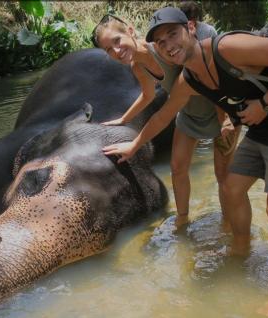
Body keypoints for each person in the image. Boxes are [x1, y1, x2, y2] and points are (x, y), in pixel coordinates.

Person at [102, 7, 268, 317]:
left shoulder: (226, 47)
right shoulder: (189, 78)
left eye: (173, 35)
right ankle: (241, 248)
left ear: (191, 28)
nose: (168, 45)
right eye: (161, 42)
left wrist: (265, 103)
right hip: (261, 125)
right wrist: (134, 144)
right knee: (232, 189)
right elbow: (164, 115)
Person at [91, 8, 238, 231]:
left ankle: (229, 224)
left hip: (219, 108)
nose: (117, 51)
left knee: (222, 174)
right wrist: (123, 119)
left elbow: (213, 81)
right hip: (189, 114)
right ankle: (182, 221)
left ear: (130, 31)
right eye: (109, 49)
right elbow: (148, 95)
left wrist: (226, 119)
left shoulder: (166, 49)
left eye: (117, 40)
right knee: (177, 168)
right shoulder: (138, 66)